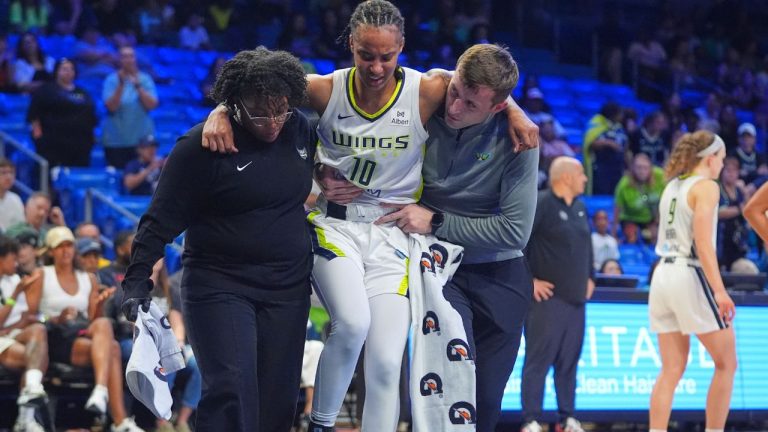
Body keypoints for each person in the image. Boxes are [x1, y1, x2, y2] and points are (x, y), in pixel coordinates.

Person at [200, 3, 538, 430]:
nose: (376, 67)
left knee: (386, 359)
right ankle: (320, 424)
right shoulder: (326, 89)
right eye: (366, 55)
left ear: (401, 49)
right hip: (335, 224)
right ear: (350, 46)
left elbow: (482, 89)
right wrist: (221, 110)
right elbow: (256, 85)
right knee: (354, 322)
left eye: (386, 56)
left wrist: (515, 110)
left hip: (394, 234)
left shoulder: (430, 89)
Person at [321, 44, 538, 432]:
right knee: (448, 393)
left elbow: (514, 231)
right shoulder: (429, 104)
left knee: (486, 400)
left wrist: (435, 220)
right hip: (439, 271)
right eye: (455, 92)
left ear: (497, 107)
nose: (454, 108)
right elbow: (426, 78)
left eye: (471, 105)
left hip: (501, 272)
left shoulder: (518, 138)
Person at [120, 48, 316, 432]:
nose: (273, 121)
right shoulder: (201, 147)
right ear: (236, 104)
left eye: (281, 110)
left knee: (278, 400)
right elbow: (158, 221)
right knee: (232, 390)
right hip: (220, 283)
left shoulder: (300, 127)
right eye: (260, 113)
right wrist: (136, 280)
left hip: (287, 287)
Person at [649, 131, 737, 432]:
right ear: (711, 158)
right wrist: (720, 291)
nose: (723, 166)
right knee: (727, 364)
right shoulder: (707, 187)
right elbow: (703, 243)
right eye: (722, 159)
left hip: (661, 274)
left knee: (671, 369)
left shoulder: (672, 185)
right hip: (689, 272)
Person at [24, 226, 143, 432]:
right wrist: (54, 317)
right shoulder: (42, 274)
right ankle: (117, 418)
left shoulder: (87, 278)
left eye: (69, 245)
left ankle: (102, 394)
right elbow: (29, 317)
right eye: (60, 246)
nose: (66, 250)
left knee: (105, 326)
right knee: (113, 349)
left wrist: (98, 305)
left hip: (81, 336)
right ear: (51, 251)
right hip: (53, 337)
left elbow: (93, 321)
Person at [520, 157, 593, 432]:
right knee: (538, 360)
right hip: (546, 300)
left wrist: (591, 277)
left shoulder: (581, 208)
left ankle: (568, 418)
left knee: (569, 362)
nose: (585, 179)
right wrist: (530, 281)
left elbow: (588, 247)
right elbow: (519, 243)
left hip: (576, 300)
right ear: (566, 177)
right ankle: (531, 419)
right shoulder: (541, 203)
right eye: (581, 174)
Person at [0, 236, 50, 432]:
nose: (17, 263)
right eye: (13, 259)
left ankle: (31, 388)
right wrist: (14, 296)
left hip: (13, 333)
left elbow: (23, 316)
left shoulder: (14, 279)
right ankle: (25, 419)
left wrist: (26, 320)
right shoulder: (14, 285)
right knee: (37, 357)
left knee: (38, 329)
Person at [27, 58, 98, 168]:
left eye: (71, 69)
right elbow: (34, 116)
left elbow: (91, 115)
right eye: (64, 69)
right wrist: (38, 138)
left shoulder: (82, 92)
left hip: (80, 143)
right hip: (53, 143)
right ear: (56, 71)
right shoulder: (46, 91)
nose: (68, 72)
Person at [102, 46, 158, 169]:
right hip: (115, 141)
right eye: (124, 56)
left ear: (135, 59)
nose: (128, 60)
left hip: (141, 142)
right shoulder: (111, 80)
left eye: (131, 56)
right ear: (119, 60)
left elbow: (152, 105)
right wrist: (121, 84)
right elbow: (111, 107)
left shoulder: (145, 79)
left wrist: (138, 86)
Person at [612, 153, 666, 243]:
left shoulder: (660, 176)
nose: (642, 171)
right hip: (630, 218)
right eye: (639, 167)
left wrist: (660, 219)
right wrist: (613, 235)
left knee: (656, 236)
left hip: (651, 219)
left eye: (645, 168)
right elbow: (617, 210)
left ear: (651, 168)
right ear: (633, 169)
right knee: (632, 237)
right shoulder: (624, 185)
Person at [583, 102, 628, 195]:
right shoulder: (596, 123)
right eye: (620, 113)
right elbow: (590, 143)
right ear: (613, 114)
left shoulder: (619, 127)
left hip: (617, 167)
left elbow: (625, 144)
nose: (622, 116)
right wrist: (609, 143)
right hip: (601, 167)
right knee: (601, 192)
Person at [717, 157, 750, 271]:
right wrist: (739, 209)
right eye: (728, 170)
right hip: (721, 243)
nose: (731, 174)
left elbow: (749, 210)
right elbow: (718, 213)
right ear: (722, 172)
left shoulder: (739, 191)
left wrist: (745, 191)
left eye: (734, 171)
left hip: (738, 243)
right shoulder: (717, 189)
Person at [0, 158, 25, 232]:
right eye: (3, 173)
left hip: (12, 242)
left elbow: (21, 228)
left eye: (11, 173)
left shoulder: (16, 199)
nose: (8, 177)